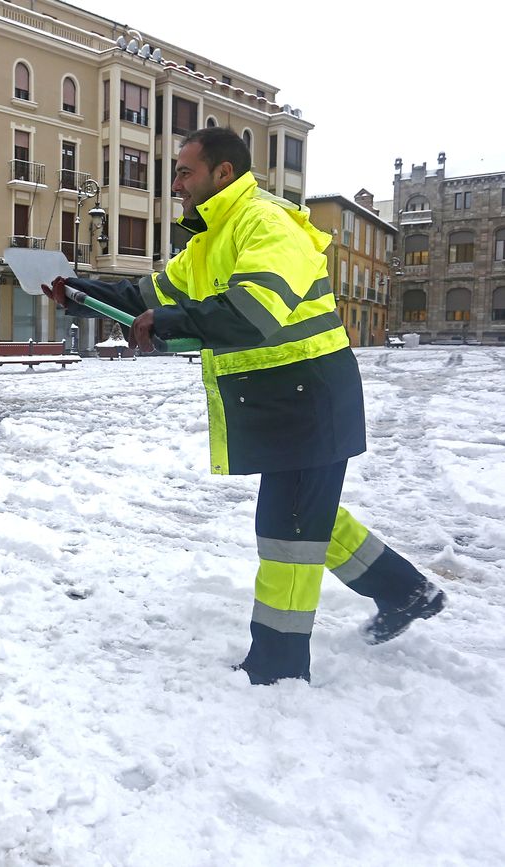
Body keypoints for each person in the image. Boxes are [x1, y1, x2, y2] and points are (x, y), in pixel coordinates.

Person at [42, 127, 444, 685]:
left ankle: (278, 663)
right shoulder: (210, 240)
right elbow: (145, 298)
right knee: (308, 516)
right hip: (285, 399)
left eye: (185, 173)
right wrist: (78, 293)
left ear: (222, 173)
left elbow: (253, 311)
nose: (176, 185)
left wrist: (171, 324)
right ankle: (408, 593)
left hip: (310, 394)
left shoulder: (265, 222)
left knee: (288, 529)